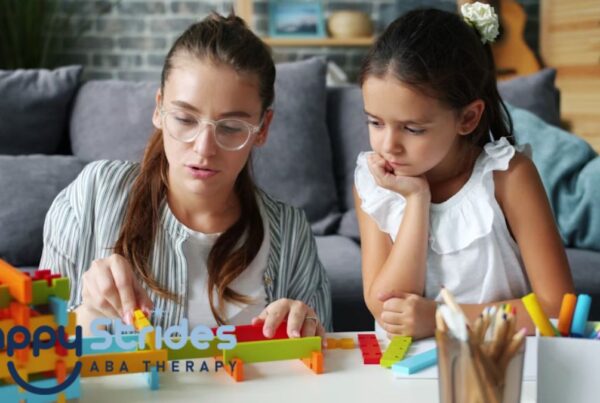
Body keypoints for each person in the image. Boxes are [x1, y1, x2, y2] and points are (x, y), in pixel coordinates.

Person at [40, 13, 331, 339]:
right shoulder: (93, 194)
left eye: (232, 127)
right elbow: (36, 343)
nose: (204, 149)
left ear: (262, 129)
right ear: (159, 109)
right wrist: (87, 313)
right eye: (184, 119)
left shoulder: (291, 233)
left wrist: (308, 331)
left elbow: (326, 363)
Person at [354, 3, 573, 340]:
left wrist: (442, 318)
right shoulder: (374, 182)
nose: (389, 145)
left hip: (497, 365)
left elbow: (559, 308)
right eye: (375, 122)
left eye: (412, 129)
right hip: (403, 373)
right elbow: (387, 309)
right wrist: (416, 200)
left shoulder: (507, 177)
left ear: (468, 118)